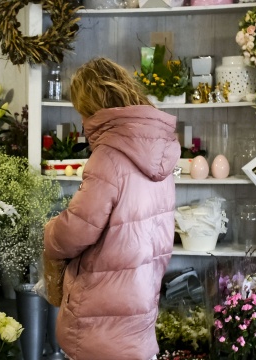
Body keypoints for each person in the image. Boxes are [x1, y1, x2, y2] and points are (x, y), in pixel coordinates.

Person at [43, 57, 180, 360]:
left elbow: (75, 231)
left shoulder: (108, 157)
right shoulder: (161, 153)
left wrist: (50, 230)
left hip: (100, 319)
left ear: (92, 106)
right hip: (139, 305)